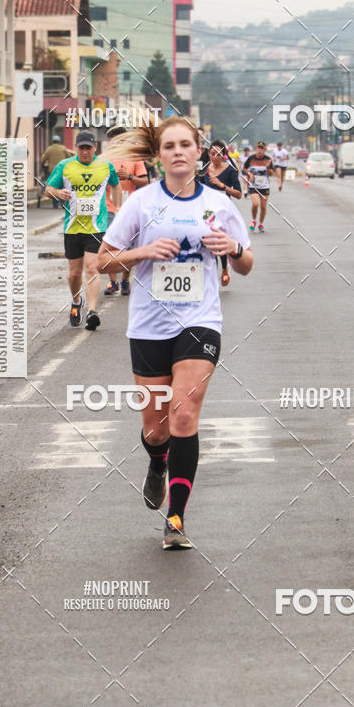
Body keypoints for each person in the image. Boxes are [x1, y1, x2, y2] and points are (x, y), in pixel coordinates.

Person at [97, 115, 253, 549]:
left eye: (187, 145)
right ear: (160, 155)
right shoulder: (142, 203)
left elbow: (246, 264)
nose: (179, 152)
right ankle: (156, 461)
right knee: (157, 427)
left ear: (199, 152)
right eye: (170, 146)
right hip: (148, 326)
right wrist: (144, 250)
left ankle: (177, 519)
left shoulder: (220, 204)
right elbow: (103, 261)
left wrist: (233, 249)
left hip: (199, 321)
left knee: (184, 412)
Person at [46, 130, 121, 331]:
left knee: (91, 268)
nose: (85, 152)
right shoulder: (65, 166)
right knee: (74, 274)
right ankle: (76, 301)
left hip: (97, 227)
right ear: (76, 148)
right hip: (72, 227)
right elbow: (47, 189)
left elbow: (116, 185)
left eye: (89, 148)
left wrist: (118, 206)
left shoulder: (105, 166)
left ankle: (92, 311)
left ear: (95, 147)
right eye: (82, 148)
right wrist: (57, 192)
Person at [103, 126, 148, 296]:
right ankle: (113, 282)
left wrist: (129, 177)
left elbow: (145, 182)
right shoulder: (102, 159)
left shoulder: (135, 159)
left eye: (120, 139)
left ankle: (125, 280)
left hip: (130, 208)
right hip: (107, 207)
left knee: (128, 247)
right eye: (114, 140)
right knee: (109, 245)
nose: (117, 143)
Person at [203, 139, 242, 286]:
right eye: (213, 154)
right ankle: (210, 275)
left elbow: (238, 193)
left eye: (219, 154)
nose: (215, 157)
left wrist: (221, 185)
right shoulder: (203, 170)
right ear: (209, 154)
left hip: (223, 210)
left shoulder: (230, 171)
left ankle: (225, 268)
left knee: (219, 241)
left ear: (224, 155)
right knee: (206, 241)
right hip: (207, 210)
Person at [243, 141, 274, 232]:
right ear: (256, 149)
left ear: (264, 150)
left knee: (263, 207)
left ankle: (261, 223)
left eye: (262, 148)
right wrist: (249, 174)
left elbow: (271, 174)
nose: (260, 150)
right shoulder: (251, 158)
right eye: (258, 148)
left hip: (264, 186)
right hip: (254, 186)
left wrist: (268, 167)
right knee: (255, 204)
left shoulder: (268, 159)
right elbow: (244, 168)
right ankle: (253, 220)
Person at [41, 136, 73, 208]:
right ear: (59, 141)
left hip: (52, 171)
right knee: (63, 185)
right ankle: (62, 202)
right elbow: (69, 158)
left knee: (53, 186)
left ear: (52, 141)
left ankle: (55, 204)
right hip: (63, 170)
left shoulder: (49, 149)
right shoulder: (63, 148)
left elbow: (43, 160)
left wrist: (43, 164)